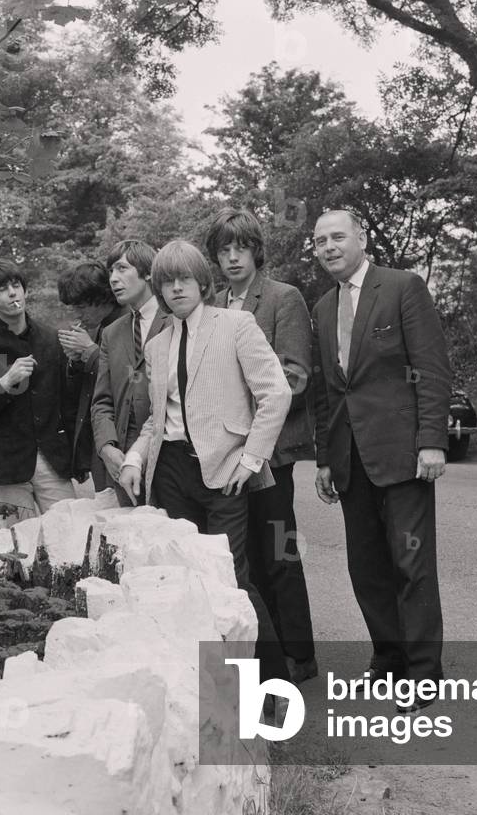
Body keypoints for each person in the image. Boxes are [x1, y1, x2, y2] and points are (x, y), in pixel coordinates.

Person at [119, 240, 293, 701]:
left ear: (202, 282)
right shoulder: (157, 345)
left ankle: (273, 688)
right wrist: (134, 459)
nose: (176, 288)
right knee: (189, 583)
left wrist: (251, 458)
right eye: (167, 281)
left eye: (184, 279)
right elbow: (157, 420)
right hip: (171, 474)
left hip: (224, 472)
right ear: (159, 288)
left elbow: (276, 393)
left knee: (230, 579)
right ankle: (220, 692)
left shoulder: (236, 324)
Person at [310, 210, 452, 708]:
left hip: (403, 454)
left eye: (338, 237)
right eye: (320, 241)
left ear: (362, 238)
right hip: (350, 459)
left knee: (411, 566)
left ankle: (424, 673)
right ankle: (389, 660)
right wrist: (325, 458)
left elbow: (431, 369)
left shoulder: (402, 287)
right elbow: (328, 391)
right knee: (367, 569)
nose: (329, 247)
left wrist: (432, 440)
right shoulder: (323, 307)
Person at [206, 208, 318, 684]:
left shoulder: (282, 298)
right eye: (224, 250)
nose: (233, 257)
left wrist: (247, 427)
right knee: (240, 556)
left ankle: (299, 656)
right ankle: (259, 655)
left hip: (270, 451)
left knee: (278, 554)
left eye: (242, 248)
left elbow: (295, 377)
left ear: (257, 251)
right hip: (223, 454)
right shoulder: (211, 303)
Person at [0, 258, 75, 521]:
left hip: (53, 460)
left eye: (16, 285)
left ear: (25, 290)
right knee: (21, 541)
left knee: (70, 531)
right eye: (2, 289)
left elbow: (68, 405)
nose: (12, 293)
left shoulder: (51, 339)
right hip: (6, 465)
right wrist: (4, 383)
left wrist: (78, 459)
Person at [90, 240, 169, 506]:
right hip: (123, 461)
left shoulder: (176, 320)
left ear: (147, 273)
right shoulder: (111, 333)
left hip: (171, 456)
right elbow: (102, 401)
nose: (114, 278)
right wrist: (106, 447)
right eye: (111, 271)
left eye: (122, 268)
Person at [56, 261, 124, 493]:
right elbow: (86, 391)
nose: (77, 315)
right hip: (100, 443)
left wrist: (90, 352)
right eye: (73, 308)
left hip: (121, 442)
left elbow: (130, 381)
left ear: (102, 298)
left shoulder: (127, 323)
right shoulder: (99, 327)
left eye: (82, 307)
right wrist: (76, 361)